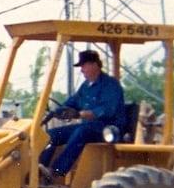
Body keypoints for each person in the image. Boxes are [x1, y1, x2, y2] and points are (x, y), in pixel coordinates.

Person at [38, 49, 126, 180]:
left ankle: (56, 171)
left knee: (82, 132)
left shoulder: (111, 85)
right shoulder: (85, 86)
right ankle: (39, 170)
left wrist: (81, 114)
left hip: (108, 129)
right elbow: (72, 103)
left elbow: (107, 110)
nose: (82, 70)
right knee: (51, 135)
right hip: (89, 127)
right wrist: (57, 112)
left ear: (95, 65)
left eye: (84, 66)